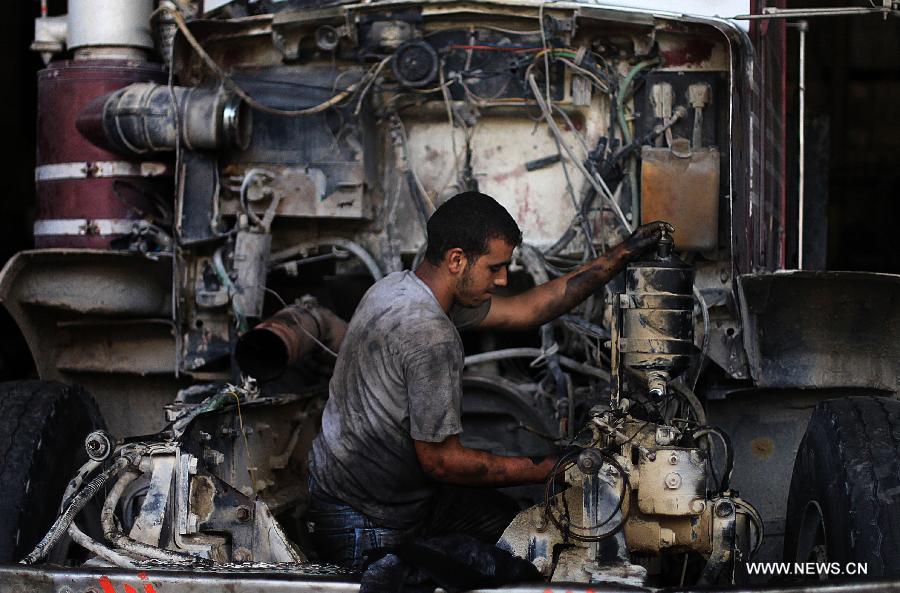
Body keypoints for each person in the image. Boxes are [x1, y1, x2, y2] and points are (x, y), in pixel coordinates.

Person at [306, 191, 671, 569]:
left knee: (510, 523)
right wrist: (556, 466)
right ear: (456, 259)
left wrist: (620, 255)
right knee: (515, 559)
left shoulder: (397, 289)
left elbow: (527, 309)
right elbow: (442, 463)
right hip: (366, 521)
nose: (502, 279)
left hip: (348, 490)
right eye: (494, 267)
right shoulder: (429, 333)